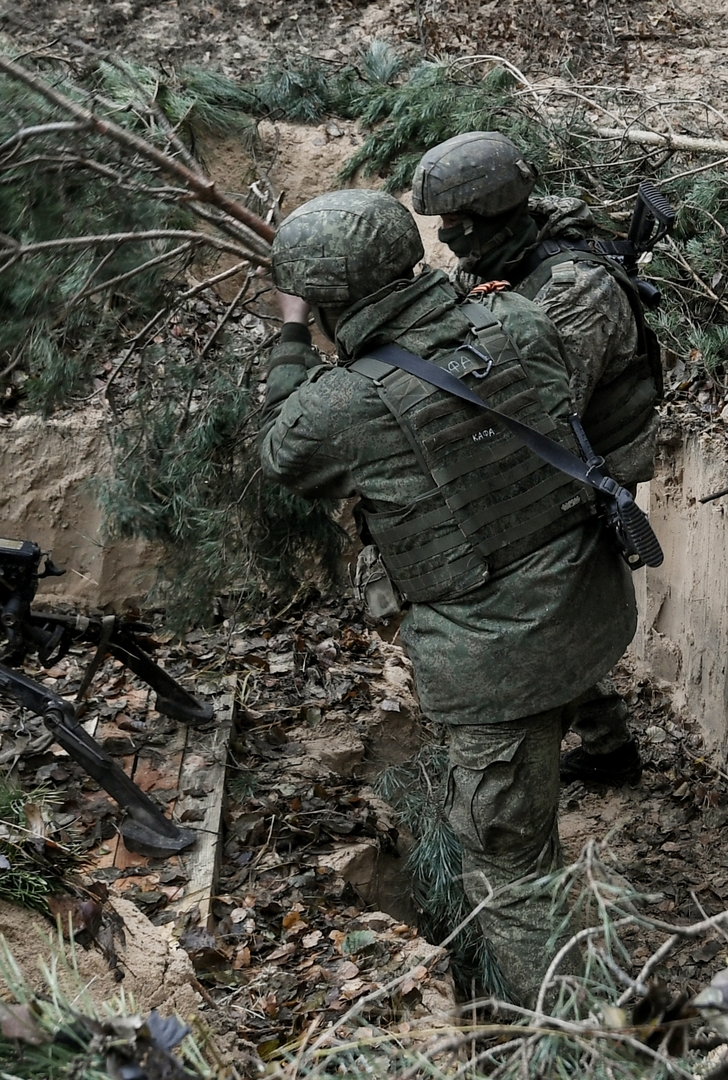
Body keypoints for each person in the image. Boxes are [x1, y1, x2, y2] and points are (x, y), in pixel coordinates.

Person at [257, 189, 638, 1002]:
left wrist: (292, 331)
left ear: (329, 298)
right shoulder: (516, 319)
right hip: (586, 600)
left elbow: (284, 447)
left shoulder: (341, 406)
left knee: (506, 860)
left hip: (496, 658)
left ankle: (574, 1039)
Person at [410, 130, 664, 787]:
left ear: (493, 214)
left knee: (542, 615)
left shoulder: (575, 289)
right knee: (550, 617)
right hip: (541, 453)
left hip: (585, 463)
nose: (448, 240)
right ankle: (608, 748)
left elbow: (547, 407)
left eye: (456, 226)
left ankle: (586, 750)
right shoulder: (497, 255)